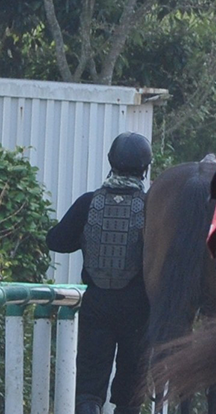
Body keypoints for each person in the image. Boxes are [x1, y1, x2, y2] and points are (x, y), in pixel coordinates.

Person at [48, 133, 154, 414]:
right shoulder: (151, 207)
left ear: (110, 161)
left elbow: (56, 241)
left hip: (96, 304)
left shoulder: (88, 203)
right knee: (131, 389)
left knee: (89, 388)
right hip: (138, 307)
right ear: (145, 167)